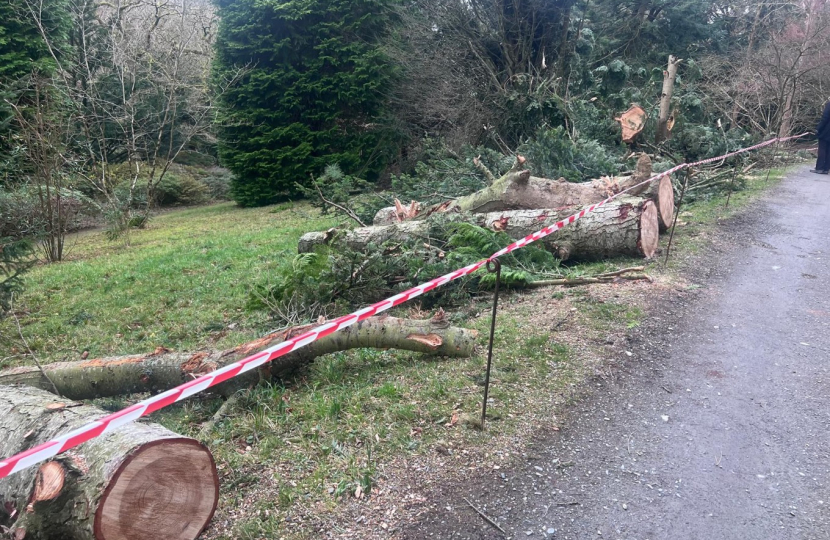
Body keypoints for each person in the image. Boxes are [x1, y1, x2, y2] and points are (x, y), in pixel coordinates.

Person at [811, 98, 830, 174]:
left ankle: (819, 167)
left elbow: (825, 118)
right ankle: (826, 168)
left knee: (822, 149)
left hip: (826, 131)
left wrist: (818, 128)